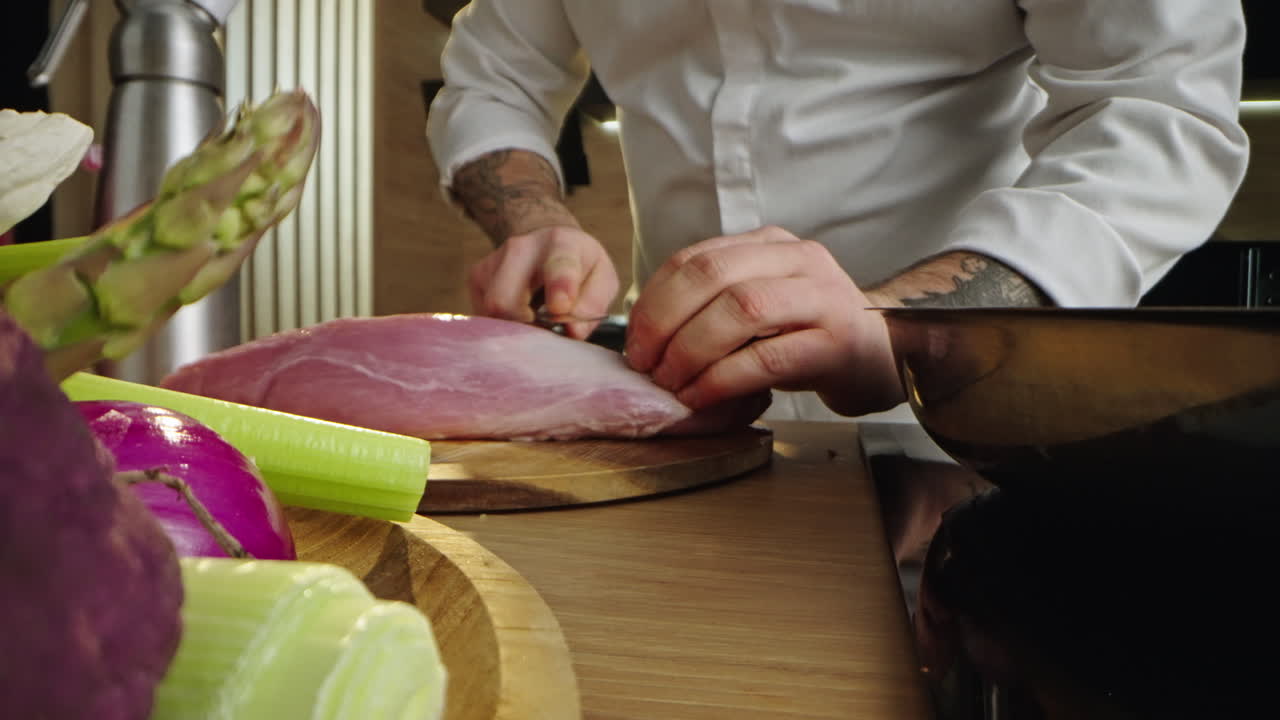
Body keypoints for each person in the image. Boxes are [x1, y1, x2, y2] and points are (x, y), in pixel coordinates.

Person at [426, 1, 1249, 425]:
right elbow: (496, 74)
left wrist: (903, 327)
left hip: (947, 428)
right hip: (672, 422)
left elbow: (1157, 110)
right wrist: (534, 221)